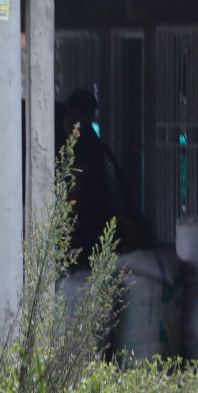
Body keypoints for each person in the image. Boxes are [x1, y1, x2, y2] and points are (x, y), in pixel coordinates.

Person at [63, 89, 114, 269]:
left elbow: (78, 188)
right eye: (74, 117)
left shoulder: (88, 144)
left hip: (88, 216)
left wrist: (66, 229)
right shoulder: (55, 127)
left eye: (83, 120)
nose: (76, 124)